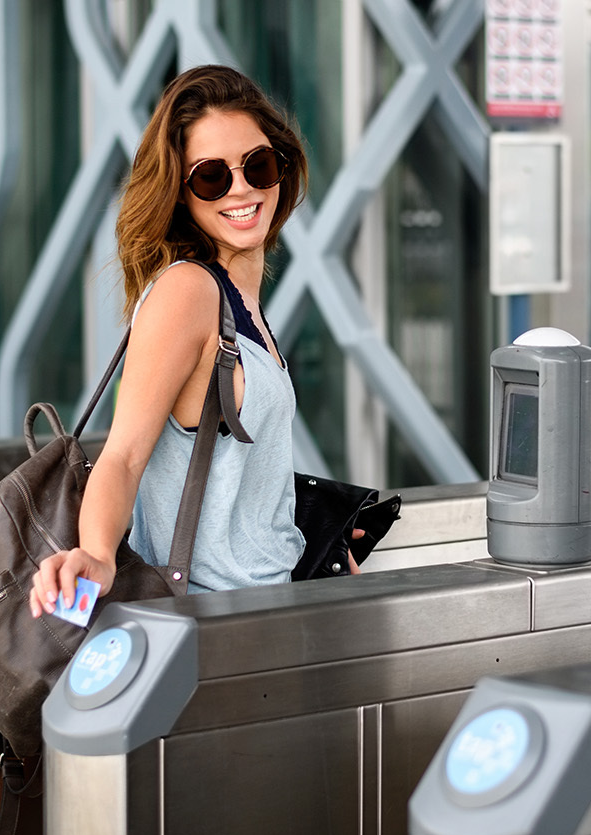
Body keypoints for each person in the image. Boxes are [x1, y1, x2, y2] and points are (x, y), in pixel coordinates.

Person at [28, 64, 353, 615]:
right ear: (180, 194)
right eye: (211, 177)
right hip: (211, 626)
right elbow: (126, 454)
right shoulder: (189, 292)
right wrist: (97, 553)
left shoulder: (240, 301)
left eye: (258, 165)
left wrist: (322, 537)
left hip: (270, 609)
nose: (242, 188)